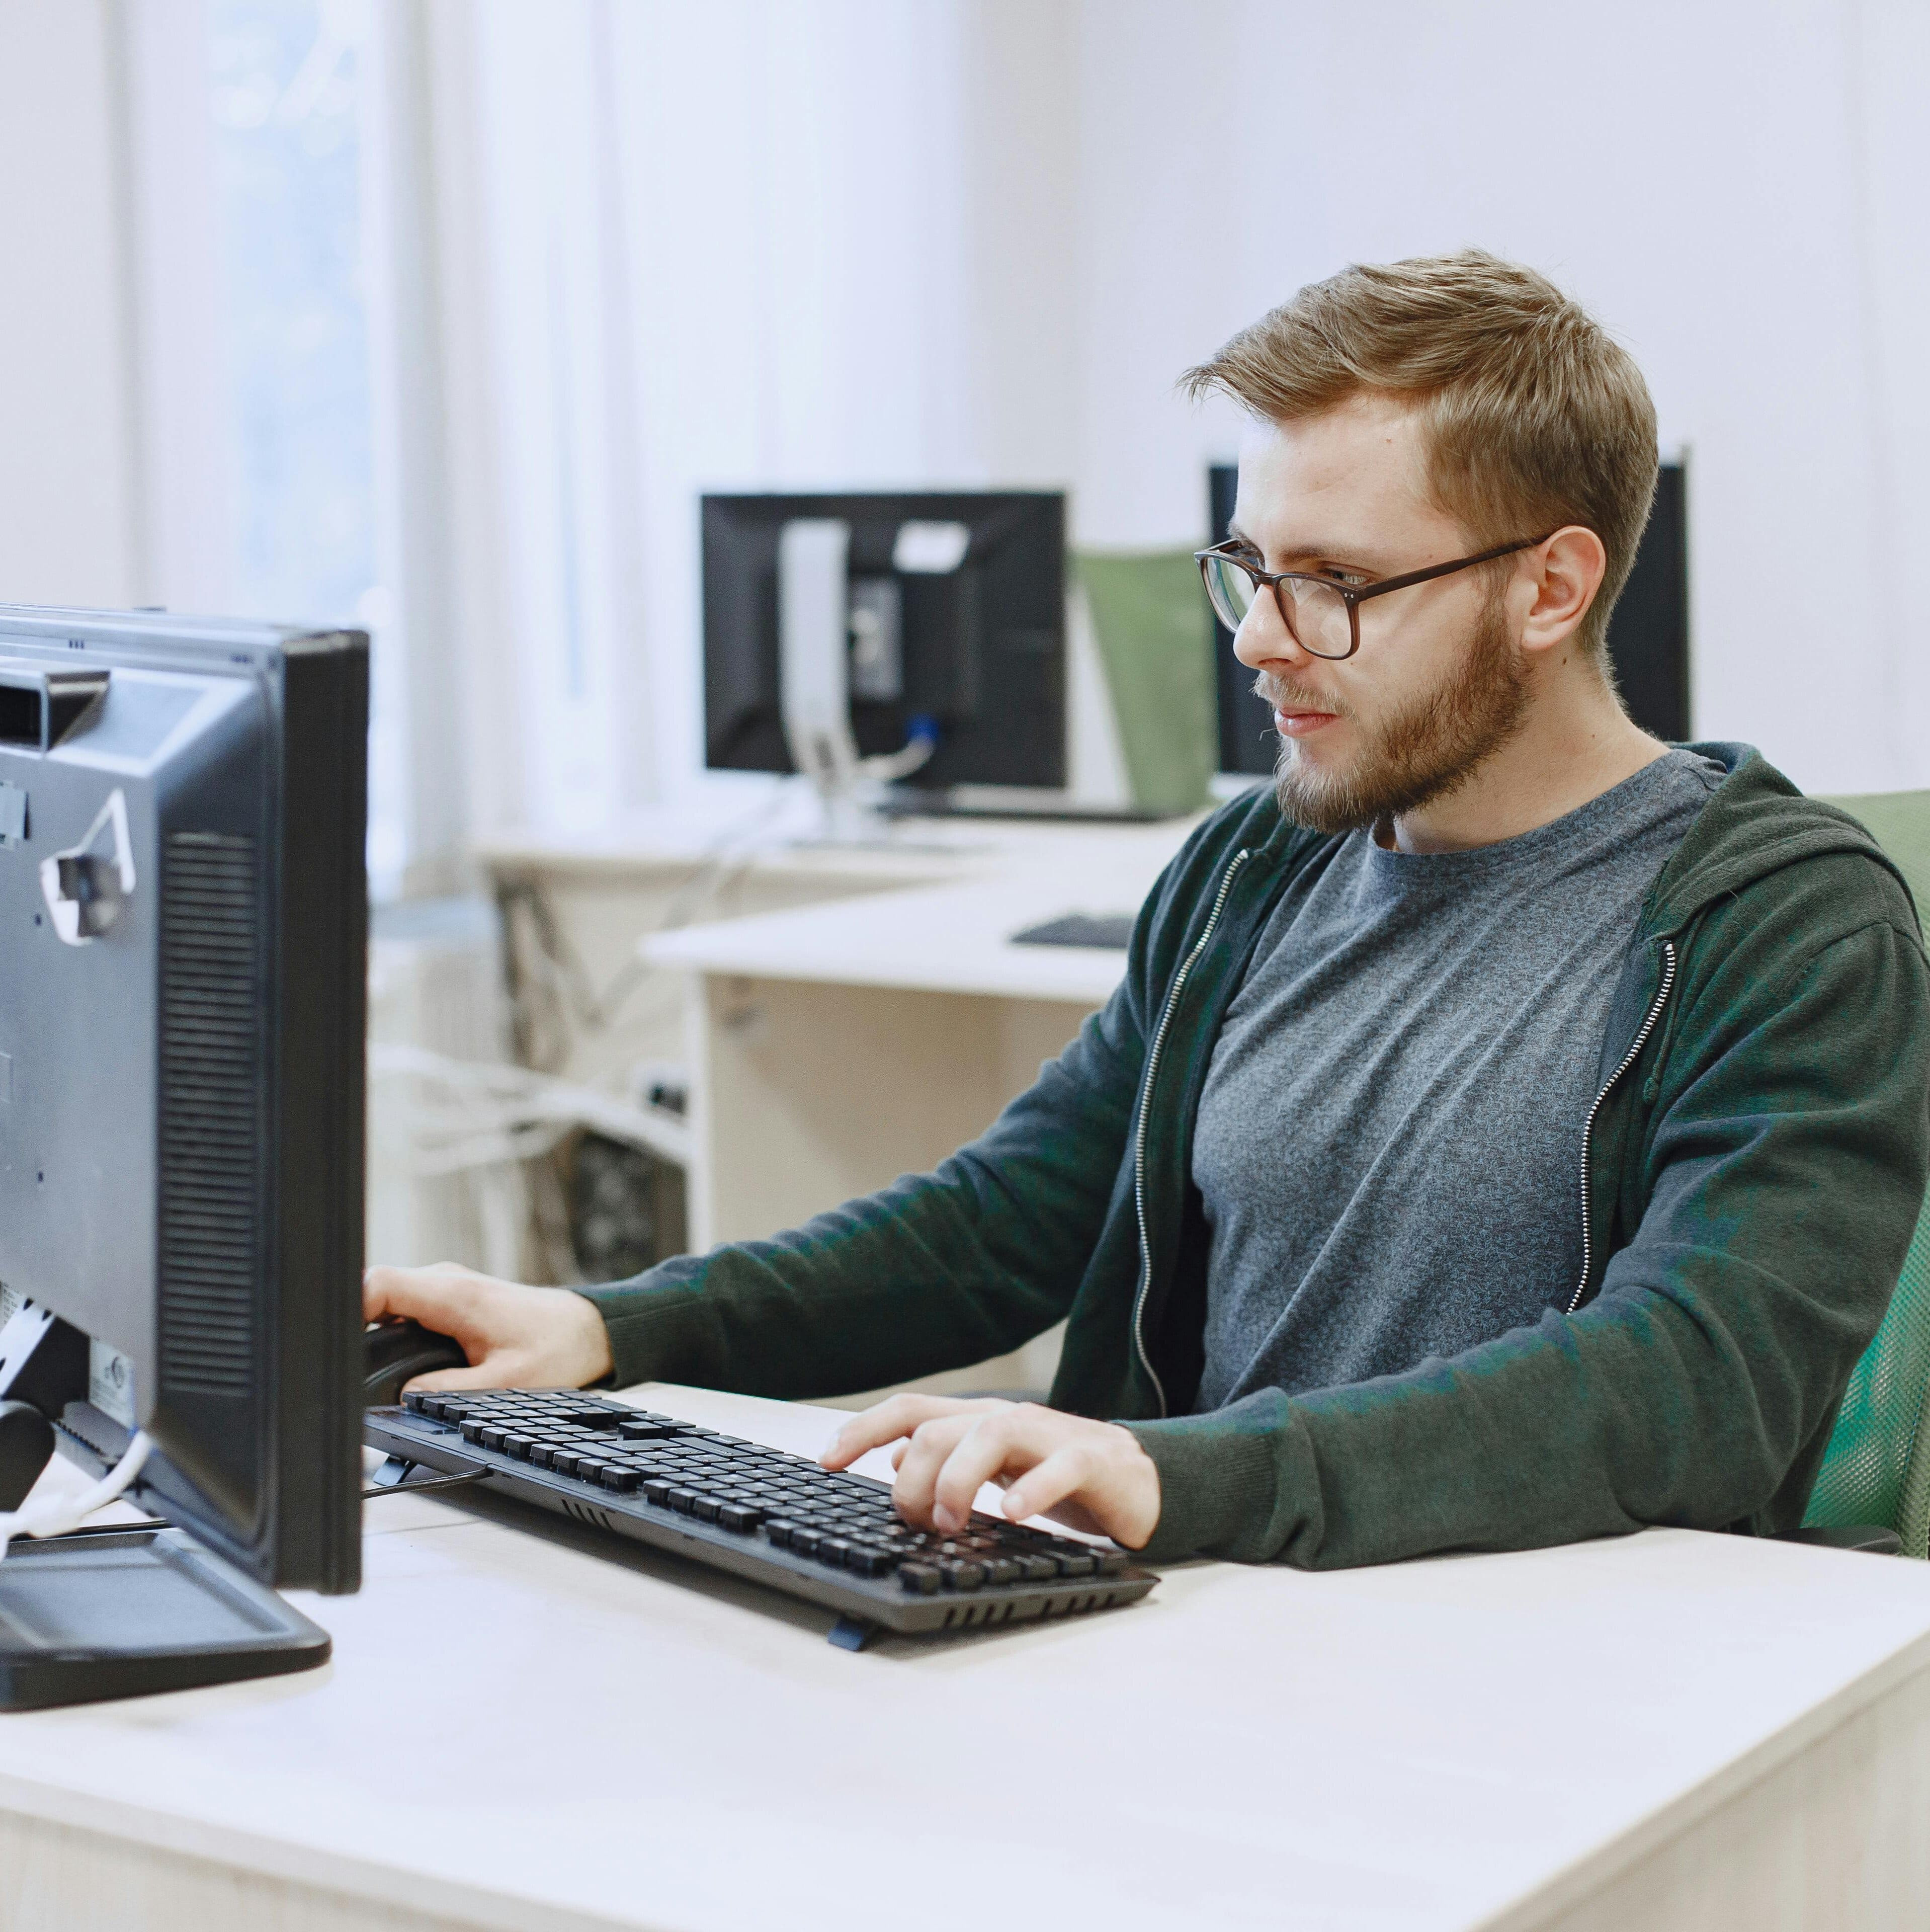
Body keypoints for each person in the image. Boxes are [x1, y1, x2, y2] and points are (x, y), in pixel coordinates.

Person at [367, 251, 1930, 1569]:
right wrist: (610, 1326)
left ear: (1551, 587)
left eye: (1334, 583)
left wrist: (1179, 1477)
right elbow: (1012, 1221)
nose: (1258, 638)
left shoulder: (1784, 930)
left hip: (1540, 1674)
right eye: (1247, 566)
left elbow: (1692, 1388)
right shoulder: (1254, 872)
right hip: (1214, 1627)